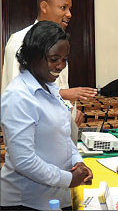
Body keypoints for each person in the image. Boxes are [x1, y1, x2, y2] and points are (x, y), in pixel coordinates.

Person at [0, 21, 93, 210]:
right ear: (33, 56)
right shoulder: (18, 95)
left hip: (56, 195)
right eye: (54, 59)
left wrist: (78, 163)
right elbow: (23, 160)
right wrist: (68, 178)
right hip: (26, 201)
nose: (60, 66)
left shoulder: (51, 88)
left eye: (65, 59)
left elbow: (64, 137)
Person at [1, 0, 97, 101]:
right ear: (44, 7)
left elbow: (61, 85)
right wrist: (63, 94)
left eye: (70, 9)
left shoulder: (59, 41)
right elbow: (19, 93)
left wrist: (70, 111)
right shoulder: (20, 40)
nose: (69, 14)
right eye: (63, 8)